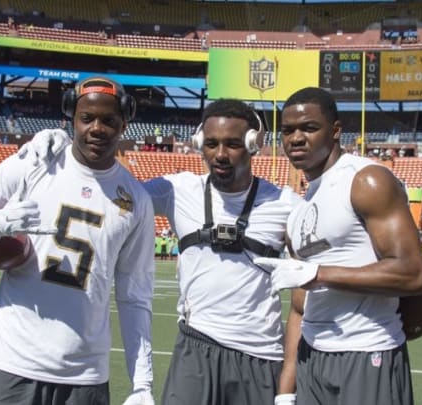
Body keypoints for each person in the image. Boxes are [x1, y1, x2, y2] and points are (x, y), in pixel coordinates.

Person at [22, 99, 303, 405]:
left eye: (233, 144)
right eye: (211, 144)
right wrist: (66, 148)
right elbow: (115, 194)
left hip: (260, 355)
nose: (220, 154)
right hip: (195, 347)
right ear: (199, 144)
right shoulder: (177, 189)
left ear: (253, 144)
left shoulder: (286, 205)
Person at [0, 76, 156, 405]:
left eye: (108, 120)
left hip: (85, 371)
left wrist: (142, 383)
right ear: (71, 118)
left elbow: (134, 297)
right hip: (15, 361)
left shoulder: (136, 200)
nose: (97, 128)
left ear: (124, 123)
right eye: (87, 118)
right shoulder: (35, 162)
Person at [255, 87, 422, 405]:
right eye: (288, 130)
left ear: (335, 131)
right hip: (312, 357)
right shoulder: (298, 212)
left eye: (308, 128)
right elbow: (298, 307)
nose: (295, 138)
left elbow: (414, 274)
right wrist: (285, 388)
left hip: (366, 350)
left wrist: (318, 273)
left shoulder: (366, 180)